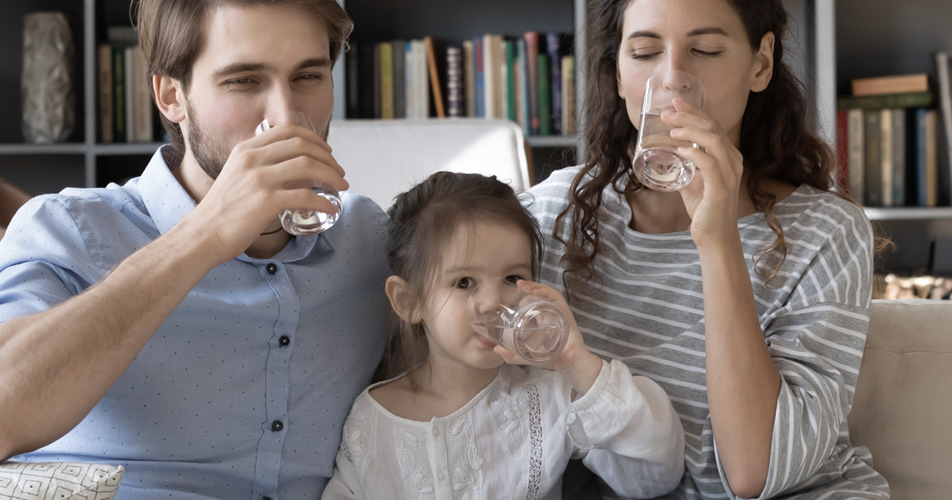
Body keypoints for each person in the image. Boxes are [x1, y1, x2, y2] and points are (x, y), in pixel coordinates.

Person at [0, 0, 383, 497]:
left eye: (308, 76)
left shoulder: (371, 240)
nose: (284, 116)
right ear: (171, 96)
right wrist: (204, 235)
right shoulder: (67, 229)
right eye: (243, 81)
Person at [521, 0, 888, 497]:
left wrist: (718, 241)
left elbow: (755, 473)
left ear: (760, 64)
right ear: (619, 74)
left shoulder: (825, 231)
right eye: (645, 53)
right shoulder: (555, 215)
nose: (673, 79)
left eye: (706, 50)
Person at [323, 172, 689, 498]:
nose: (492, 302)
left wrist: (577, 364)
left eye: (512, 278)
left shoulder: (552, 399)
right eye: (464, 282)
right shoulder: (370, 421)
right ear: (408, 301)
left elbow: (655, 474)